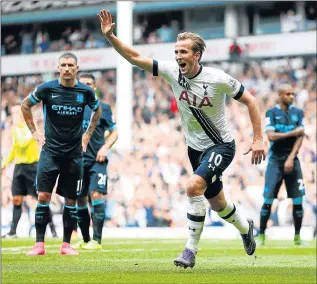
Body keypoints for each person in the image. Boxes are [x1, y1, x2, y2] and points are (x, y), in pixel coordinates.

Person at [97, 10, 266, 268]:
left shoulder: (217, 78)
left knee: (192, 187)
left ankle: (190, 251)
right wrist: (111, 37)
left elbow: (251, 101)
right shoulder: (171, 72)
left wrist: (257, 139)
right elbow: (135, 57)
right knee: (218, 204)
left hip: (221, 146)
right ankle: (245, 228)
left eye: (183, 52)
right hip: (195, 149)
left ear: (196, 55)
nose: (178, 57)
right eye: (176, 52)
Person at [21, 51, 101, 256]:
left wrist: (87, 136)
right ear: (58, 68)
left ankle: (66, 245)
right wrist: (34, 131)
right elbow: (25, 105)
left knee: (71, 199)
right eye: (63, 65)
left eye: (70, 65)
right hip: (50, 152)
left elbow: (97, 110)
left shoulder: (85, 92)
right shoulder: (47, 89)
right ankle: (39, 244)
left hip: (74, 153)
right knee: (43, 195)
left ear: (76, 68)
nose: (67, 68)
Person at [58, 73, 118, 250]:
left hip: (97, 160)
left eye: (88, 84)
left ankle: (97, 241)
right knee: (80, 199)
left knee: (96, 194)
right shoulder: (71, 108)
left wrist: (105, 147)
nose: (85, 86)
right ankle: (85, 239)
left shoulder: (104, 108)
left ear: (94, 87)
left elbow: (115, 132)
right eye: (81, 84)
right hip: (77, 161)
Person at [257, 84, 305, 246]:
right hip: (275, 161)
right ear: (280, 95)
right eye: (288, 94)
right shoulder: (271, 113)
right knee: (268, 199)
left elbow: (301, 137)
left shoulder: (298, 113)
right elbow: (271, 136)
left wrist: (291, 157)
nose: (292, 96)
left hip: (293, 160)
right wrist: (293, 132)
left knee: (298, 199)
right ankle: (261, 234)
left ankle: (297, 236)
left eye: (293, 94)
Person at [2, 104, 57, 239]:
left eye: (15, 113)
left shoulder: (31, 127)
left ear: (22, 114)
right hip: (19, 167)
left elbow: (22, 143)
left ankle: (53, 230)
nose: (13, 116)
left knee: (41, 198)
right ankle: (13, 232)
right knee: (16, 199)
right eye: (12, 114)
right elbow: (15, 149)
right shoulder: (16, 129)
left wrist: (24, 130)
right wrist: (4, 164)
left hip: (33, 166)